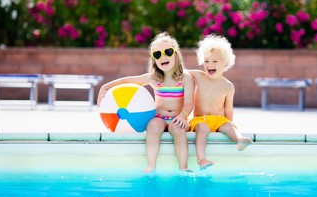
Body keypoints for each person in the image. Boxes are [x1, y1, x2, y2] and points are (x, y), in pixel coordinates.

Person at [97, 32, 194, 173]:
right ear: (154, 60)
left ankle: (183, 167)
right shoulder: (154, 78)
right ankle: (151, 166)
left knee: (177, 130)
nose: (163, 57)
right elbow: (129, 80)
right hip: (160, 118)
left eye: (167, 52)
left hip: (179, 118)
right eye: (157, 54)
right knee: (153, 127)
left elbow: (189, 103)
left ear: (176, 54)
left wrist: (183, 116)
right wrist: (105, 86)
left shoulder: (185, 78)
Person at [188, 34, 251, 170]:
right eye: (206, 61)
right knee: (203, 129)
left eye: (215, 61)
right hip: (199, 119)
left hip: (218, 120)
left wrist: (228, 124)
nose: (209, 65)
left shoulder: (228, 86)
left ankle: (239, 140)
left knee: (229, 126)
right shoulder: (198, 76)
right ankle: (201, 158)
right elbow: (180, 72)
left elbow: (228, 110)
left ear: (225, 63)